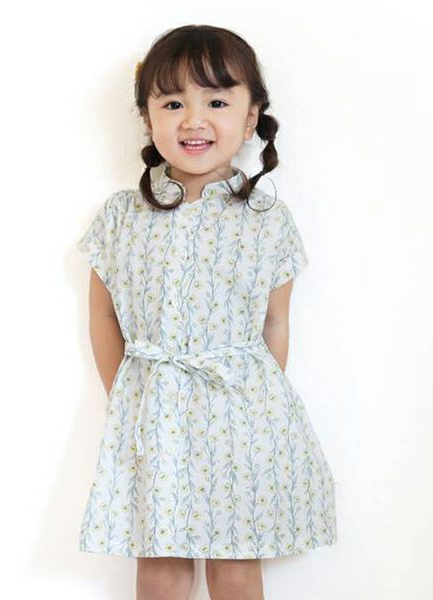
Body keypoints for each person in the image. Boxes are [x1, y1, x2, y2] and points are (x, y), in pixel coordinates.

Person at [77, 24, 337, 600]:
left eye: (216, 102)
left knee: (235, 564)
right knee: (160, 563)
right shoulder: (121, 216)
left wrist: (252, 408)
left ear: (250, 118)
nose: (193, 119)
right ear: (148, 118)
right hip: (154, 416)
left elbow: (275, 322)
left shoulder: (268, 220)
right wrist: (128, 392)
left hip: (241, 418)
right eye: (173, 103)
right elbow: (104, 316)